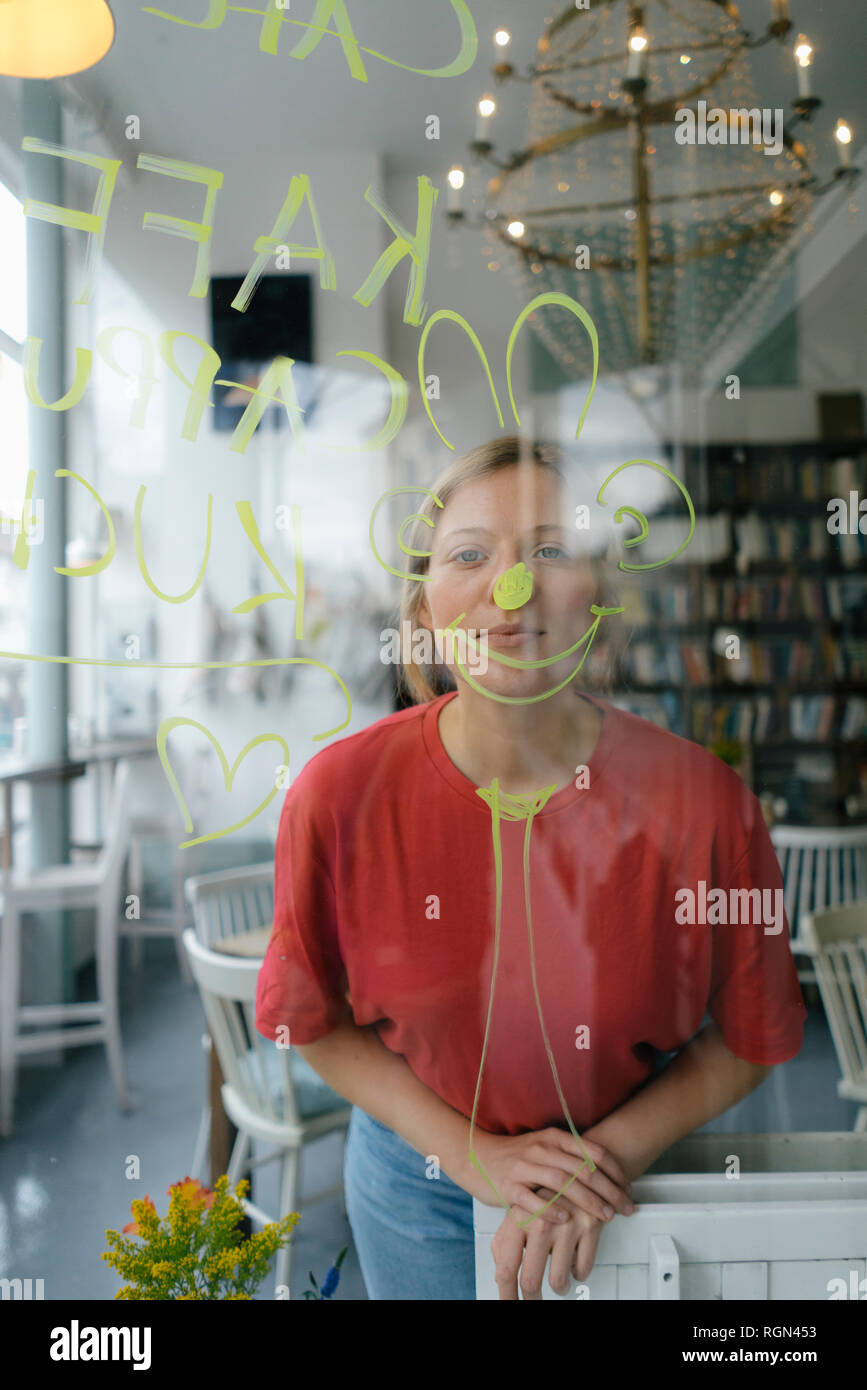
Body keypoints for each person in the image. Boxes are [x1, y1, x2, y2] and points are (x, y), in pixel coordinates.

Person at [255, 436, 806, 1300]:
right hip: (418, 1185)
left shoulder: (706, 804)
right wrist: (470, 1152)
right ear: (424, 609)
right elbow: (308, 1016)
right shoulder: (337, 795)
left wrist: (598, 1161)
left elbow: (751, 1033)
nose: (511, 588)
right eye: (469, 554)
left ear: (597, 598)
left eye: (550, 549)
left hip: (629, 1176)